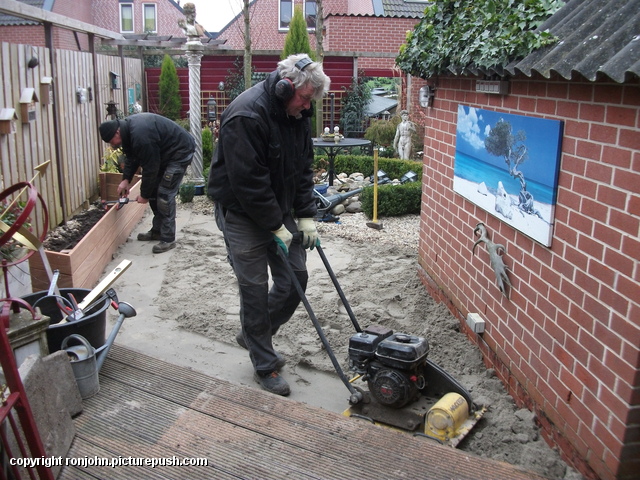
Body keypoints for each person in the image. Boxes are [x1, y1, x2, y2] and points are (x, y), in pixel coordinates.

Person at [208, 53, 330, 396]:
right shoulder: (246, 115)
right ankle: (264, 363)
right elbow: (249, 183)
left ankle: (253, 333)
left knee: (296, 278)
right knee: (254, 288)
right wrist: (275, 225)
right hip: (242, 212)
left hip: (278, 207)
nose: (307, 108)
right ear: (284, 87)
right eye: (305, 99)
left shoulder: (297, 116)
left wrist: (305, 216)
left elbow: (303, 170)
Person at [99, 113, 195, 254]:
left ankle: (168, 239)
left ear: (117, 132)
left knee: (164, 194)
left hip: (179, 152)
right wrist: (126, 180)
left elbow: (151, 168)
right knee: (155, 190)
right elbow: (132, 157)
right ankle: (157, 231)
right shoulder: (127, 133)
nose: (112, 145)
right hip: (164, 154)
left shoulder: (140, 135)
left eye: (111, 141)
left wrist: (144, 195)